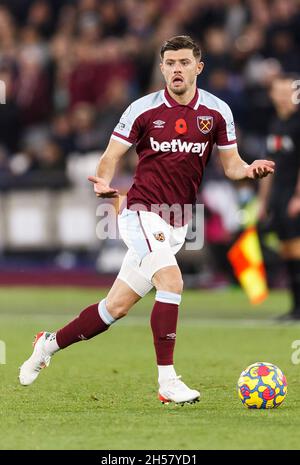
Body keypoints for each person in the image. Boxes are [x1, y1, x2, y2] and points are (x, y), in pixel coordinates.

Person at [19, 36, 274, 404]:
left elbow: (232, 166)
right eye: (170, 63)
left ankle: (47, 345)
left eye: (184, 63)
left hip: (177, 223)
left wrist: (251, 170)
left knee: (114, 309)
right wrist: (104, 183)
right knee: (172, 281)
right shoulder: (142, 110)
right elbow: (110, 156)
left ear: (198, 67)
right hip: (140, 213)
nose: (177, 70)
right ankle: (168, 382)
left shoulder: (217, 112)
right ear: (162, 68)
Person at [258, 74, 300, 321]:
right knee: (286, 250)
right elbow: (269, 167)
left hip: (293, 195)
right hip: (278, 195)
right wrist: (264, 202)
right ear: (273, 95)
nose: (285, 97)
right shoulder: (275, 124)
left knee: (296, 249)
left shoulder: (298, 123)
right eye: (280, 92)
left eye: (289, 92)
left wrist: (297, 196)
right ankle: (295, 307)